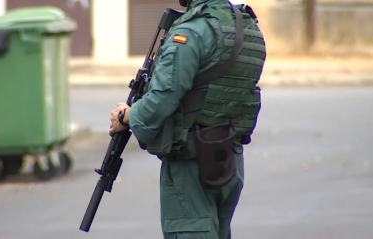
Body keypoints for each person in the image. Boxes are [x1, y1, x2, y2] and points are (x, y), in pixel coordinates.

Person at [109, 0, 266, 238]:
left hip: (191, 162)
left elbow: (163, 97)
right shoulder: (247, 28)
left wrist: (127, 115)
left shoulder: (191, 31)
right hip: (228, 159)